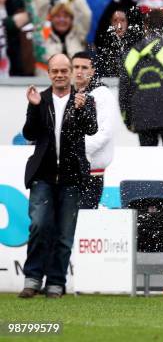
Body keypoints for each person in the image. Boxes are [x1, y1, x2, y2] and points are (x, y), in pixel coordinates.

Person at [18, 53, 97, 298]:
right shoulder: (39, 99)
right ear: (49, 73)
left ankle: (55, 282)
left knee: (64, 235)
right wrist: (33, 107)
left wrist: (83, 110)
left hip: (72, 177)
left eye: (65, 70)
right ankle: (32, 279)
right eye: (56, 71)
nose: (60, 75)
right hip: (42, 175)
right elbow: (29, 133)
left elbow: (91, 129)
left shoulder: (84, 99)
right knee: (39, 226)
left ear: (71, 73)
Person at [119, 9, 163, 146]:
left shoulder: (130, 54)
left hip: (142, 116)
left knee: (148, 163)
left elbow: (124, 91)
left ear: (145, 26)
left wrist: (127, 119)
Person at [72, 51, 119, 209]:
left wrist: (75, 152)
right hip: (70, 172)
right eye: (76, 67)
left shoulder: (103, 94)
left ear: (93, 71)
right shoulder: (70, 95)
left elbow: (104, 133)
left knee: (84, 220)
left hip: (93, 172)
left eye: (84, 67)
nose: (79, 71)